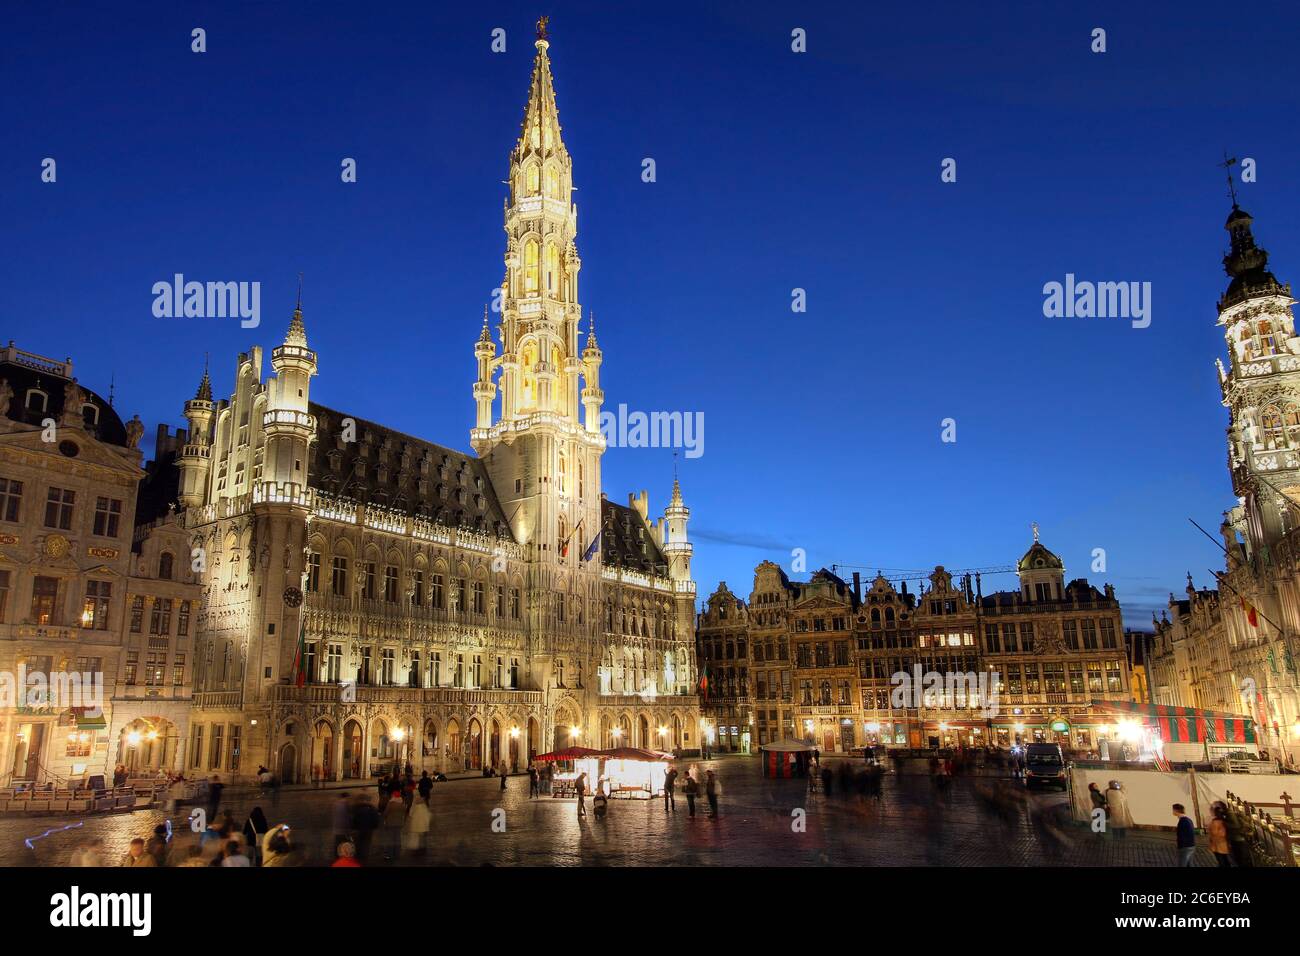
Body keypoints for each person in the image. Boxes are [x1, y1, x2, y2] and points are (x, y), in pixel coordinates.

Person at [351, 795, 381, 864]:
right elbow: (376, 819)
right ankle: (364, 857)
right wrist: (374, 827)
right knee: (366, 843)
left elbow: (352, 819)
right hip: (368, 829)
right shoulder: (372, 808)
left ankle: (358, 856)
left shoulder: (355, 808)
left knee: (358, 843)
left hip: (358, 829)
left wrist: (353, 827)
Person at [1208, 803, 1232, 867]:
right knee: (1225, 860)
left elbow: (1215, 833)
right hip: (1222, 844)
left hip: (1218, 845)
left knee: (1222, 861)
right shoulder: (1224, 821)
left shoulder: (1215, 822)